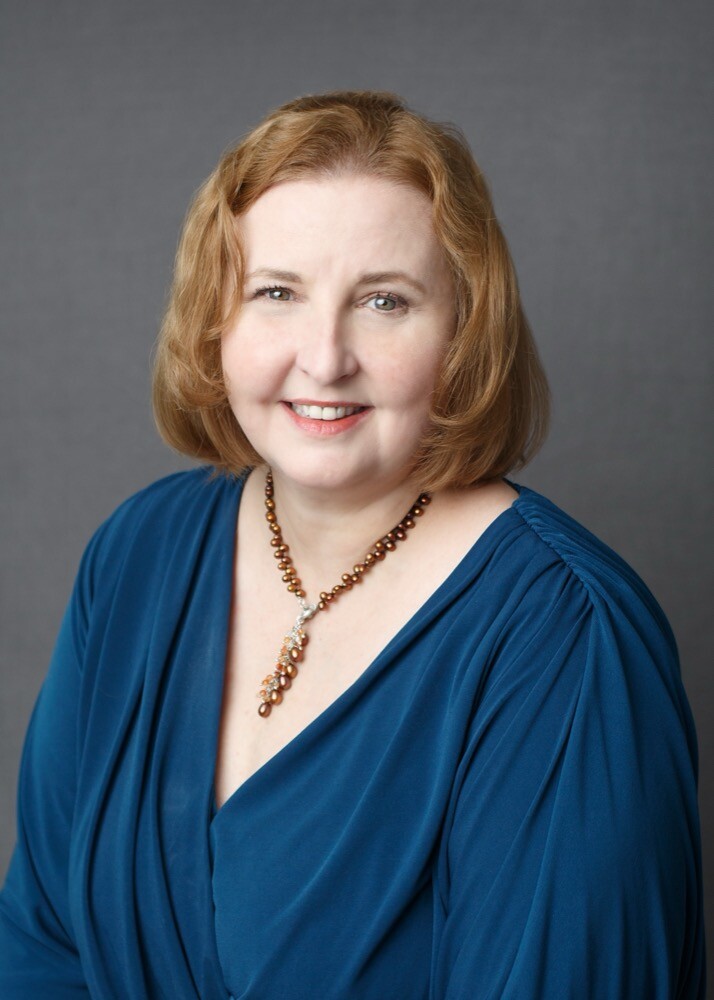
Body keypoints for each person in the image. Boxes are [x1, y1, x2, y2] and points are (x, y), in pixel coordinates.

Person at [0, 91, 705, 998]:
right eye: (277, 293)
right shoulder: (138, 555)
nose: (325, 357)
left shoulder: (566, 639)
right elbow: (42, 941)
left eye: (384, 301)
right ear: (216, 321)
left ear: (463, 333)